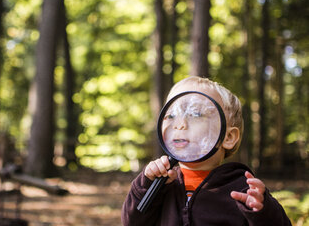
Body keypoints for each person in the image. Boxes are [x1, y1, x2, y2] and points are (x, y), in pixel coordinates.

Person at [121, 76, 291, 226]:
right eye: (171, 115)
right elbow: (132, 222)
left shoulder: (243, 189)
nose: (179, 124)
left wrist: (263, 212)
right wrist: (146, 185)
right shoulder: (162, 184)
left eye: (195, 114)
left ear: (229, 137)